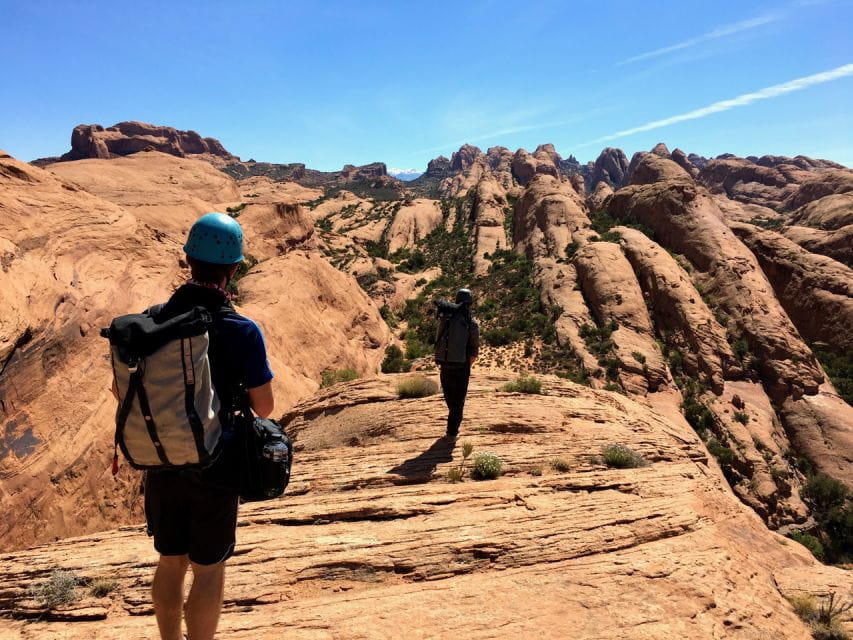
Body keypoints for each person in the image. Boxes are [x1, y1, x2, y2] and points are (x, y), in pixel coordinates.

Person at [132, 213, 274, 640]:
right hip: (217, 459)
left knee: (171, 559)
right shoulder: (241, 329)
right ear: (234, 268)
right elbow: (264, 408)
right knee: (209, 567)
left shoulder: (152, 320)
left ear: (188, 259)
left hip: (162, 456)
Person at [437, 288, 479, 441]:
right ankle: (452, 432)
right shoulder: (471, 322)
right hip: (461, 366)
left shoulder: (444, 318)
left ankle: (452, 423)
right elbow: (474, 351)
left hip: (445, 364)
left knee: (449, 397)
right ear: (470, 303)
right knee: (458, 400)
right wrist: (466, 366)